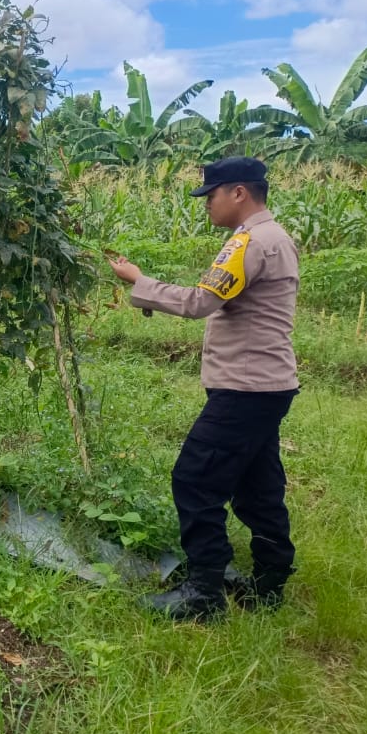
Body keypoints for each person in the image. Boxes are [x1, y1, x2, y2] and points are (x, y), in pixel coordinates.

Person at [107, 156, 300, 621]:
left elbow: (199, 302)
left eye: (210, 195)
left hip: (246, 388)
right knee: (258, 486)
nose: (206, 205)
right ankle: (270, 583)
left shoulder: (249, 241)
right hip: (268, 385)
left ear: (238, 192)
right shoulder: (277, 237)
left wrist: (139, 281)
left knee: (194, 479)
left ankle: (204, 593)